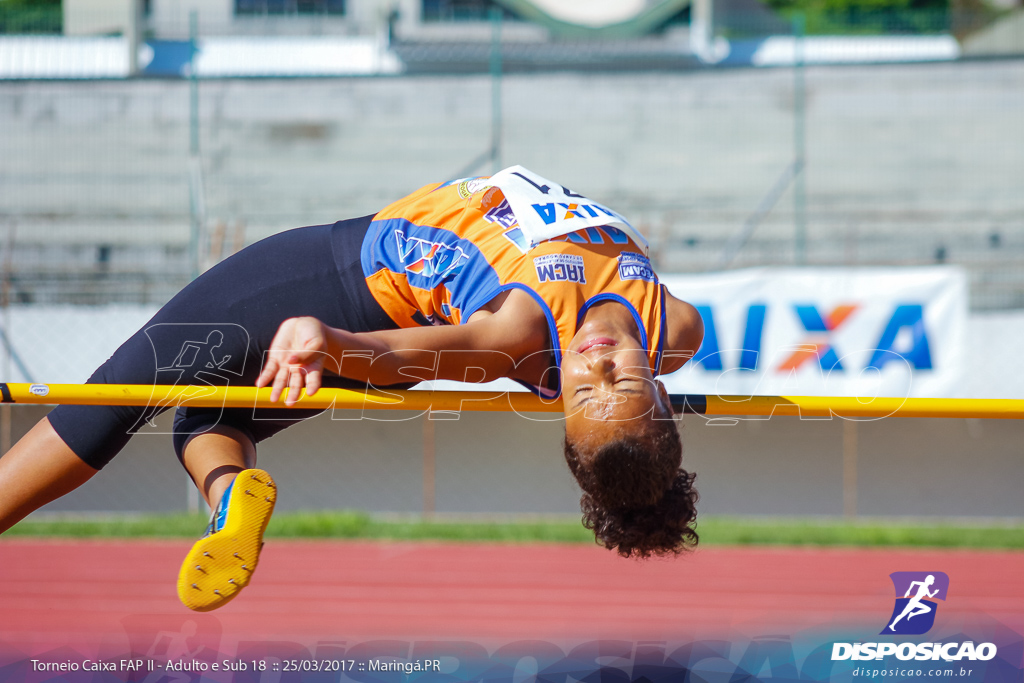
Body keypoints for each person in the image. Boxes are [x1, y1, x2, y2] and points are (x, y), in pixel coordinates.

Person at [0, 167, 704, 611]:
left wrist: (326, 339)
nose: (598, 366)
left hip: (325, 277)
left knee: (110, 398)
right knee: (205, 423)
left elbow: (411, 355)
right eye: (624, 384)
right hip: (359, 304)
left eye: (583, 396)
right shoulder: (674, 327)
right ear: (663, 392)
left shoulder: (520, 330)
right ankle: (230, 498)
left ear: (559, 405)